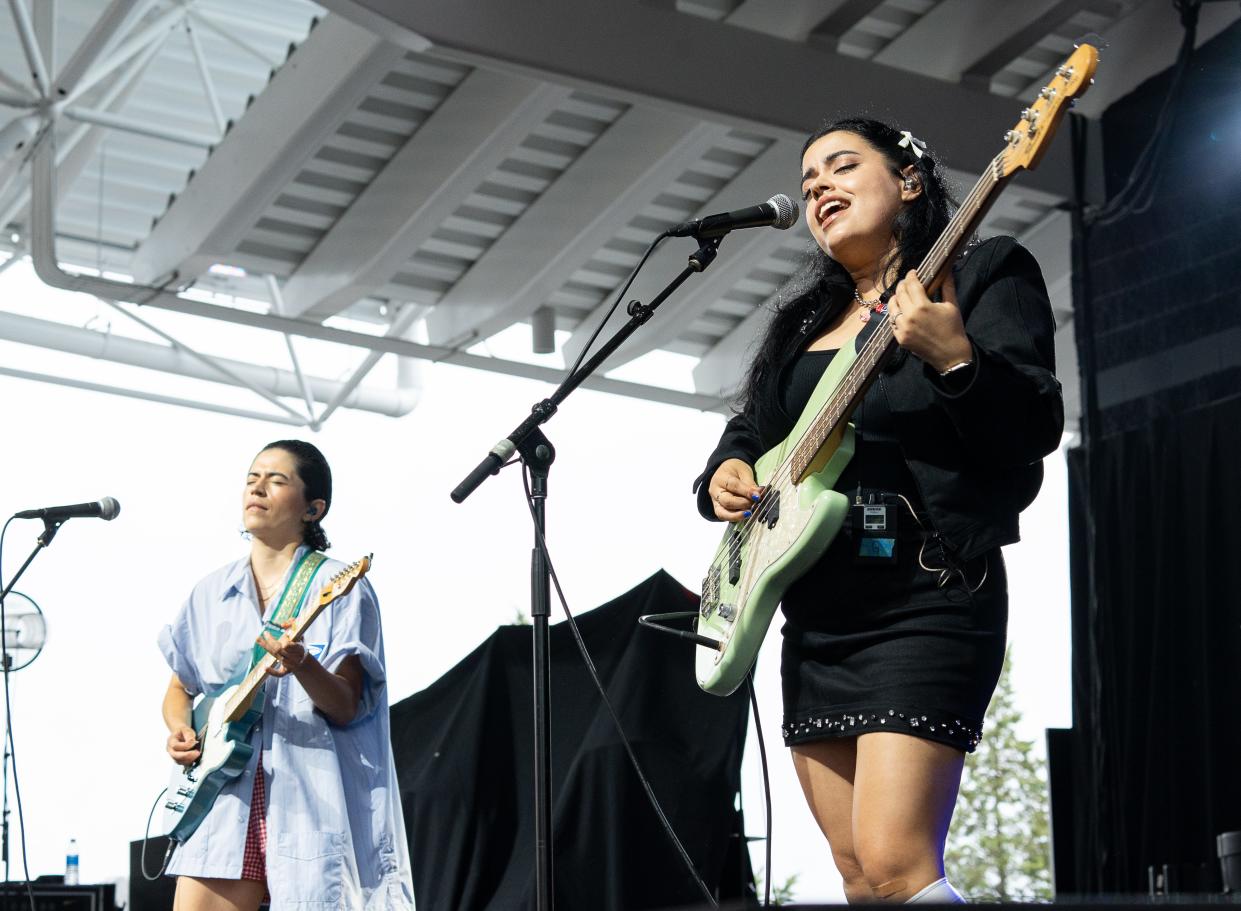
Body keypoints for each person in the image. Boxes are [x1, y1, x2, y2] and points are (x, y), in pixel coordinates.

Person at [693, 117, 1063, 903]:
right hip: (817, 620)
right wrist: (723, 471)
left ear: (908, 179)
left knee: (897, 861)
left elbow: (1031, 424)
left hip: (922, 597)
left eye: (839, 166)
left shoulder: (984, 271)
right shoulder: (798, 325)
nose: (817, 186)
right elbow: (753, 429)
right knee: (860, 877)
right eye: (806, 182)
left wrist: (954, 358)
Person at [159, 440, 414, 910]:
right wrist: (180, 729)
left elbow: (346, 704)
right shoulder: (210, 592)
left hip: (308, 800)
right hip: (223, 800)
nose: (258, 487)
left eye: (277, 480)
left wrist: (303, 664)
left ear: (313, 508)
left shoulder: (339, 587)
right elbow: (180, 686)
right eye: (253, 478)